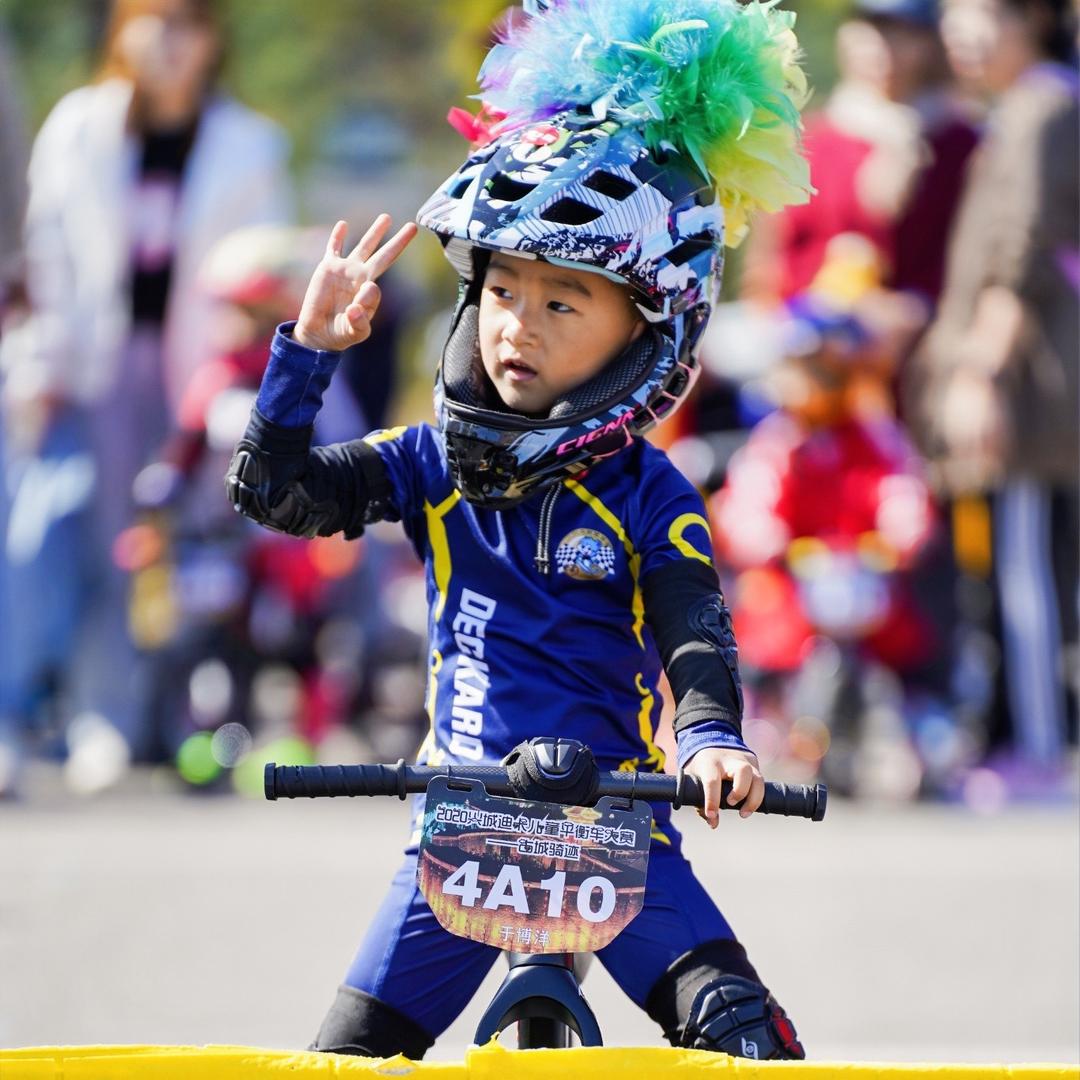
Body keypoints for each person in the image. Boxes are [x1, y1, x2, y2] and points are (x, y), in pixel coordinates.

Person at [228, 0, 812, 1061]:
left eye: (562, 301)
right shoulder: (427, 462)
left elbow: (693, 629)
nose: (514, 327)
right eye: (501, 289)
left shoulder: (650, 492)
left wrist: (714, 738)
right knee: (341, 1063)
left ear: (652, 325)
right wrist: (306, 354)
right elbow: (278, 495)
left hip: (613, 833)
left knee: (749, 1041)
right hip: (458, 831)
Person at [0, 0, 292, 792]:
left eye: (186, 23)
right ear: (122, 30)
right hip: (85, 370)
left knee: (168, 547)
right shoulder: (79, 129)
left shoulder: (251, 144)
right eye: (152, 19)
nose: (168, 41)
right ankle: (56, 716)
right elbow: (48, 253)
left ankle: (154, 722)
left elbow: (257, 266)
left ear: (211, 40)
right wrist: (39, 367)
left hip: (193, 379)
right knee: (54, 542)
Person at [910, 0, 1078, 775]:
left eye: (983, 14)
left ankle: (1040, 748)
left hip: (1029, 388)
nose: (963, 33)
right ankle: (1020, 742)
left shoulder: (1047, 107)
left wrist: (979, 374)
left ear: (1034, 19)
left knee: (1026, 573)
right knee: (1009, 568)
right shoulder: (1019, 110)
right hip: (1017, 382)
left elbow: (1024, 252)